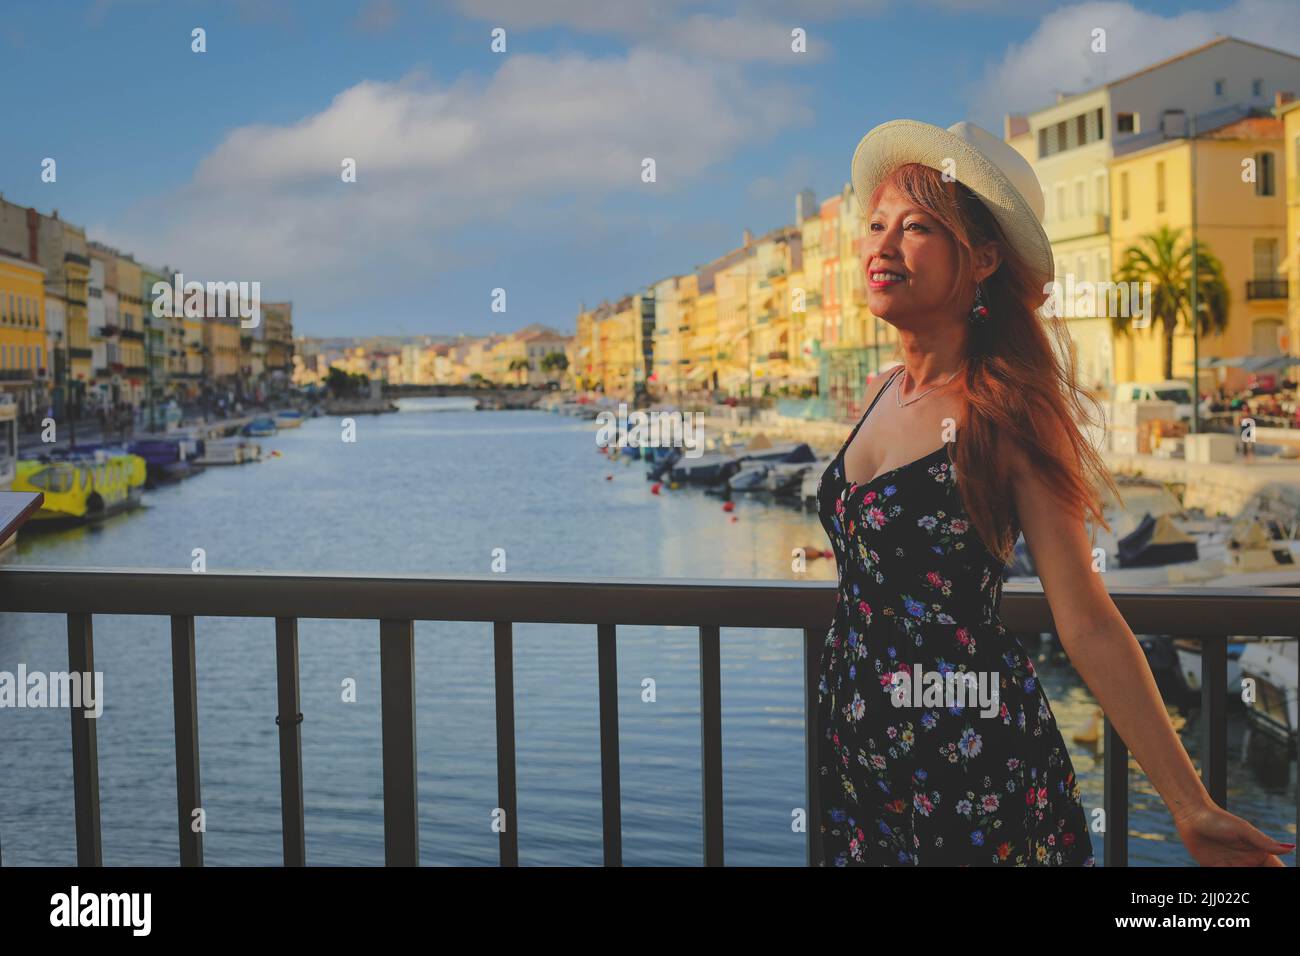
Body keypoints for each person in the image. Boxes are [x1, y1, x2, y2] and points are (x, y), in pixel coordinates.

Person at [814, 119, 1294, 866]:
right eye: (875, 224)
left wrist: (1189, 803)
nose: (881, 245)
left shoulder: (1008, 410)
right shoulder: (880, 392)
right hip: (862, 762)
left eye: (916, 227)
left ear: (982, 259)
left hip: (966, 765)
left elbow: (1087, 619)